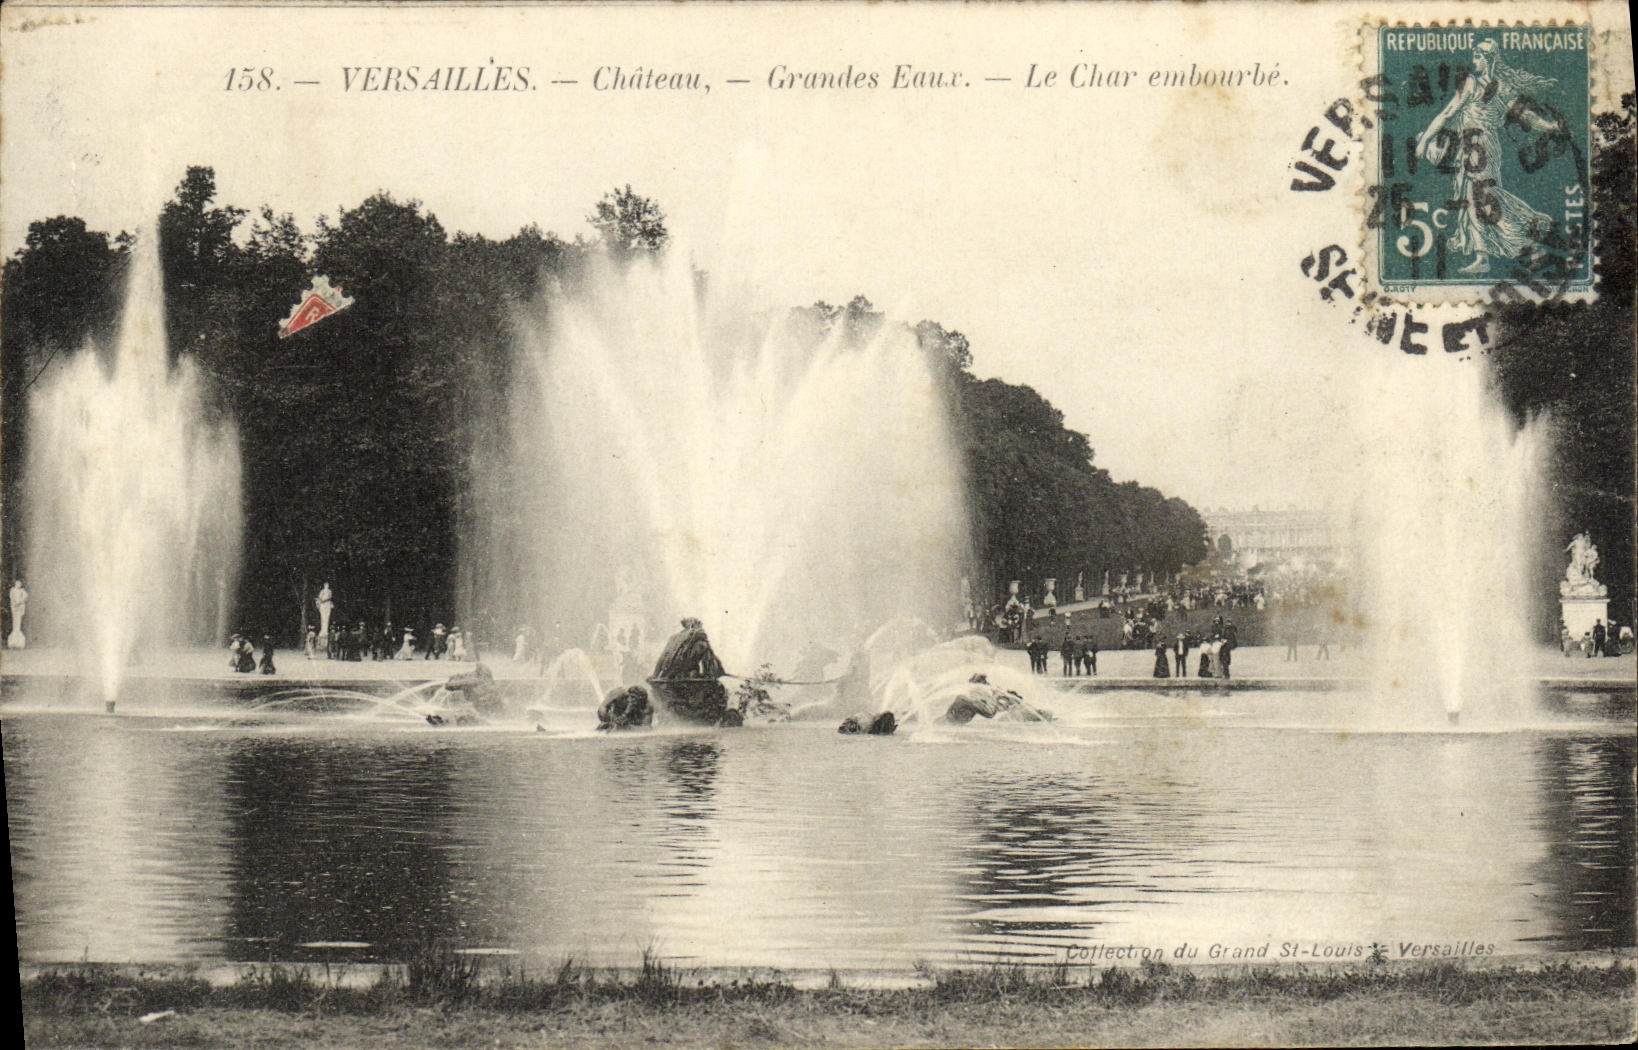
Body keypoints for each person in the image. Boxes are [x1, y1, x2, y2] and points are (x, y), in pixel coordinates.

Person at [1415, 39, 1557, 275]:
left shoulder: (1480, 85)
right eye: (1474, 56)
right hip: (1471, 147)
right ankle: (1502, 247)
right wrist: (1550, 127)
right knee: (1478, 199)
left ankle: (1525, 231)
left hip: (1481, 149)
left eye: (1478, 57)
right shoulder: (1492, 86)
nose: (1474, 62)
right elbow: (1449, 113)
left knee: (1481, 198)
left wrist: (1550, 127)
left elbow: (1526, 116)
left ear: (1489, 59)